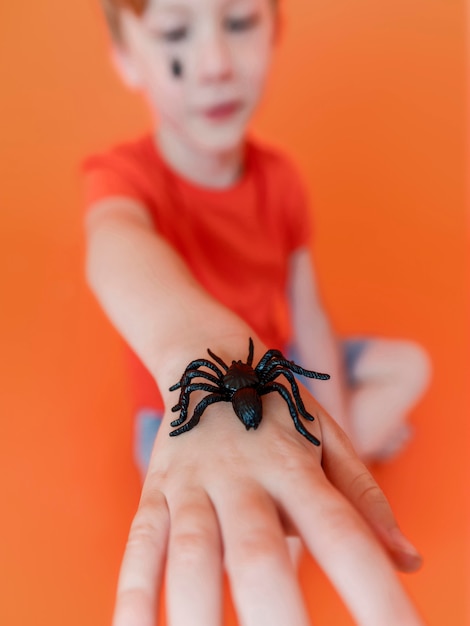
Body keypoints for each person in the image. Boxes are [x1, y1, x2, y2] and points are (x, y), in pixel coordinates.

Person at [82, 0, 430, 624]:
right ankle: (302, 484)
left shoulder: (282, 181)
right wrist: (195, 343)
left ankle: (325, 460)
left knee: (411, 367)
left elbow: (310, 313)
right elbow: (114, 245)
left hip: (275, 359)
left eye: (240, 22)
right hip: (174, 409)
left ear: (275, 34)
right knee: (250, 533)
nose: (214, 63)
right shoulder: (124, 180)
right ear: (127, 58)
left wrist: (337, 423)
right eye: (175, 33)